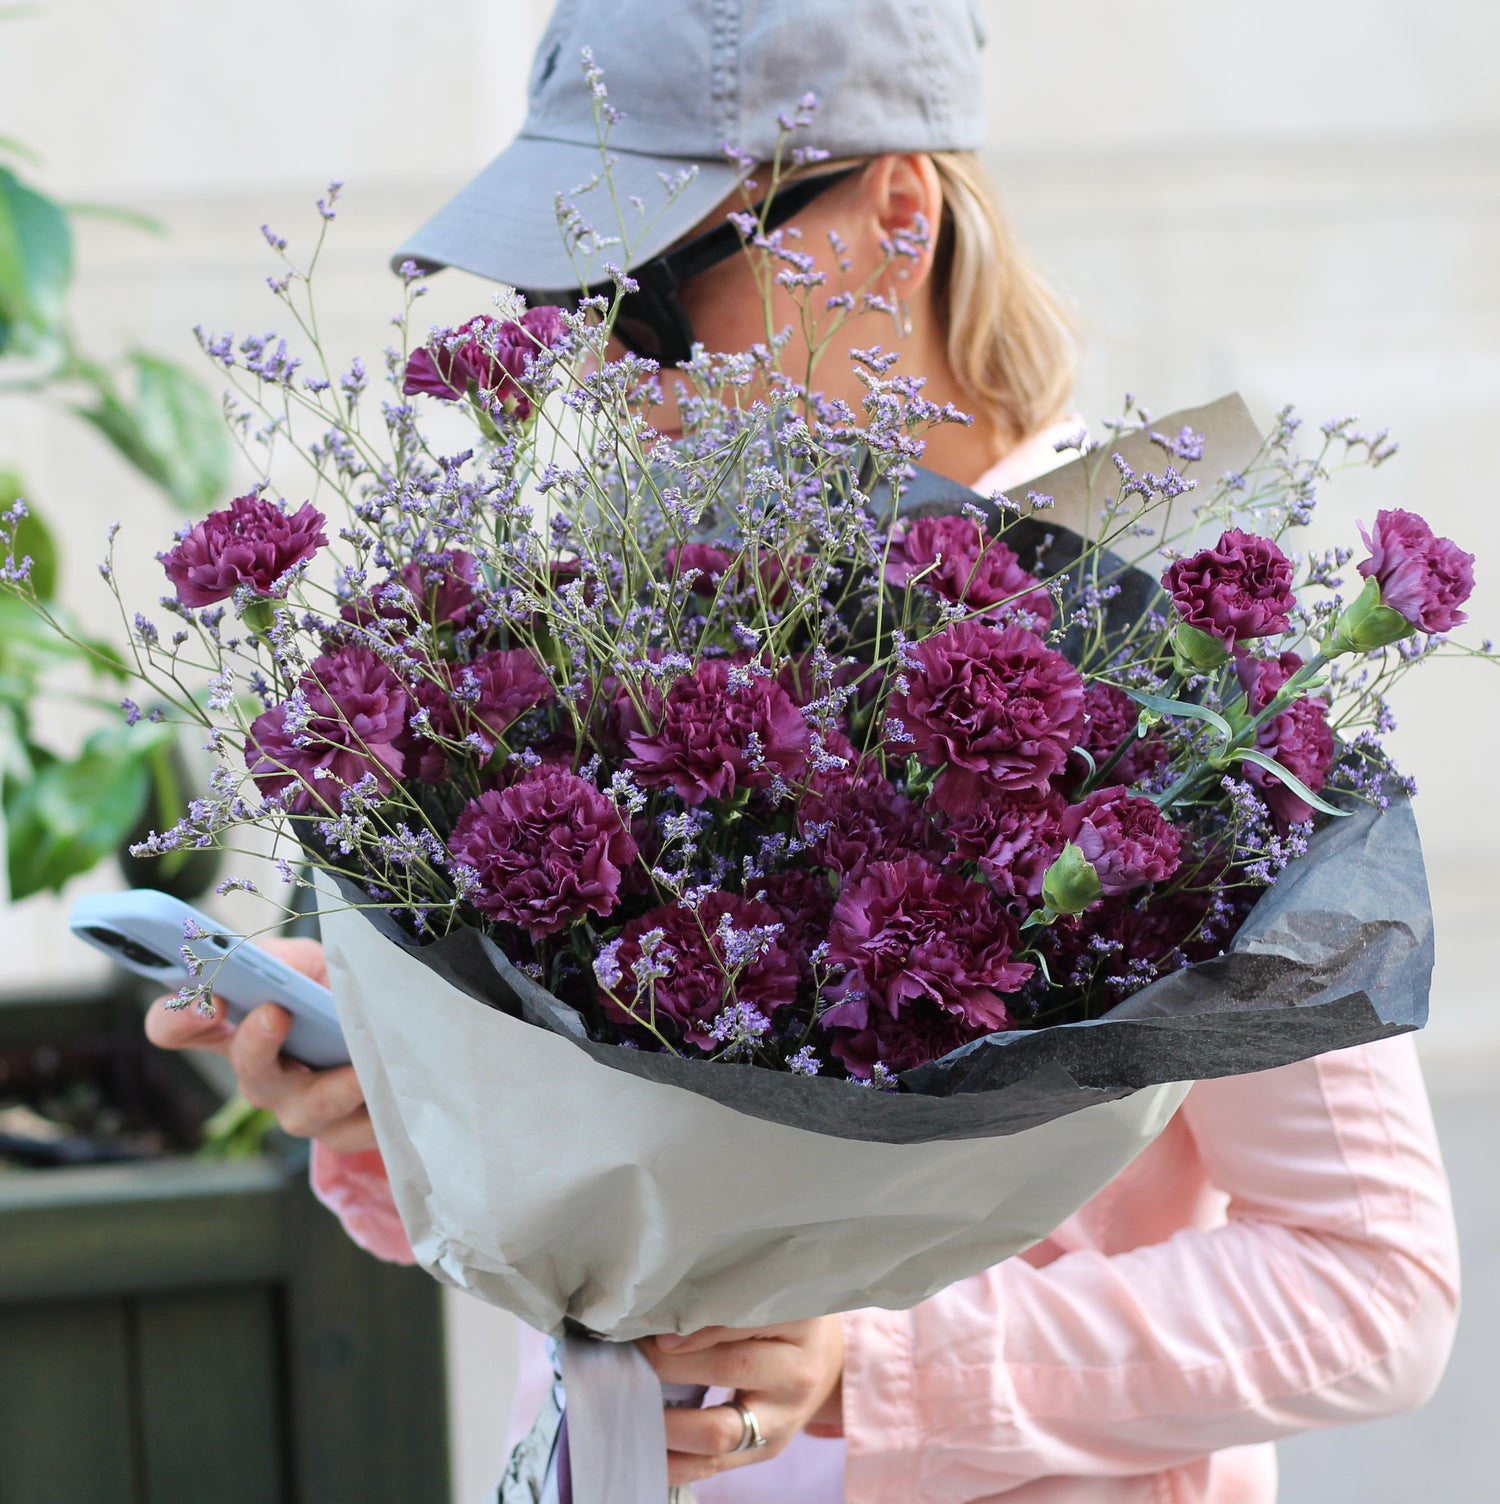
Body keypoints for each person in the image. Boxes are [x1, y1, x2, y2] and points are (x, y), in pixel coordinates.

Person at [145, 2, 1460, 1499]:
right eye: (566, 308)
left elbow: (1374, 1292)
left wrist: (874, 1371)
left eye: (650, 294)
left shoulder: (1173, 649)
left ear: (899, 211)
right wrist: (396, 1089)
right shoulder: (643, 621)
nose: (602, 373)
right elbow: (623, 1218)